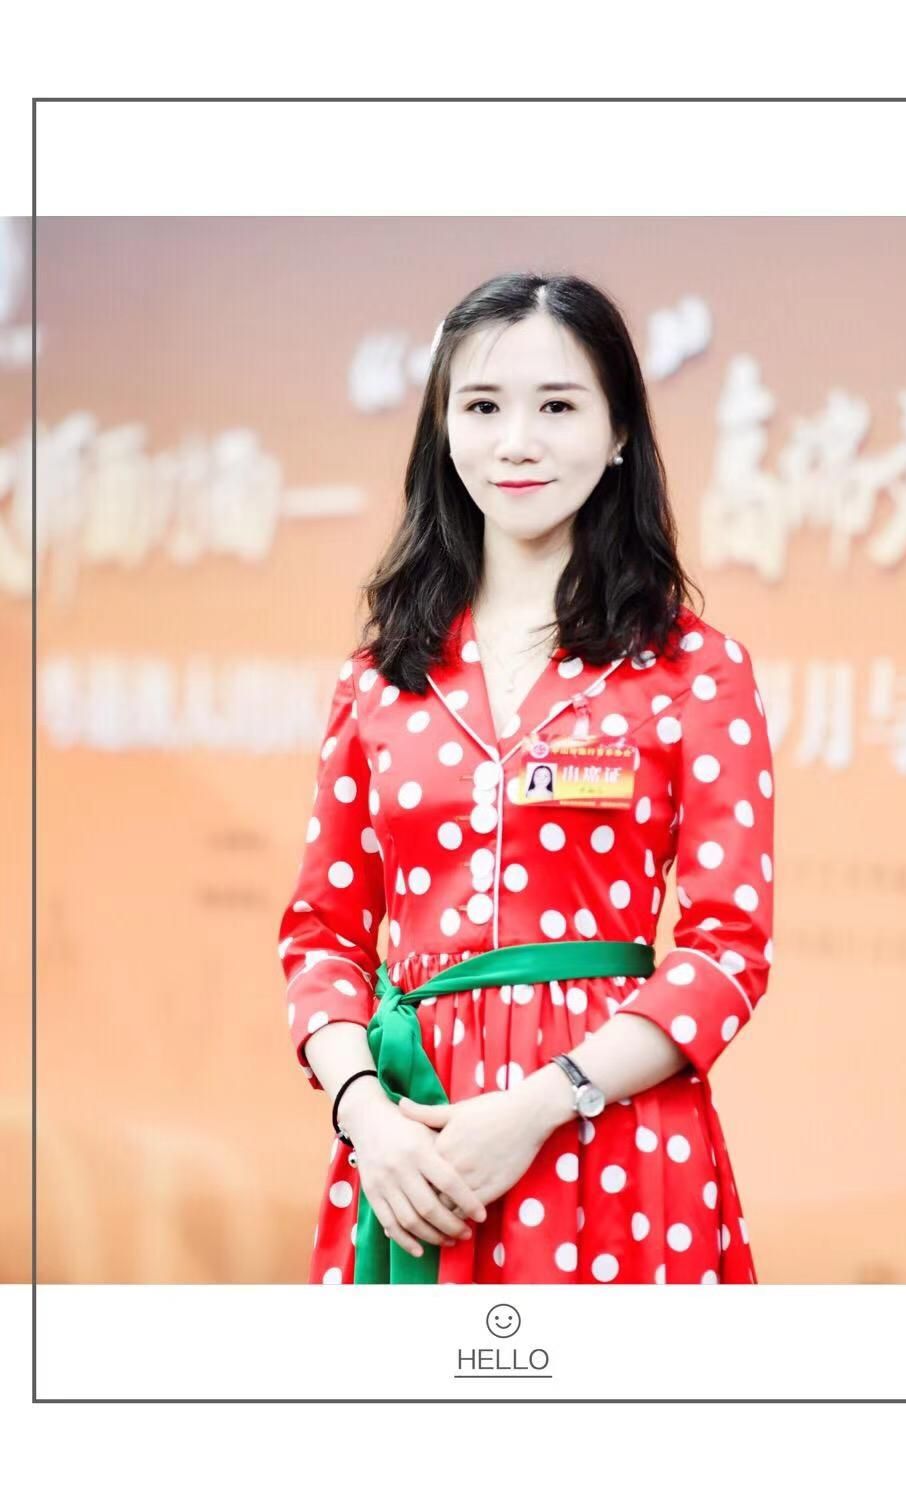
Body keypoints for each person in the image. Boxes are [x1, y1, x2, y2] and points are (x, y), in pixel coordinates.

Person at [277, 270, 775, 1285]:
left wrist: (544, 1102)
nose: (516, 442)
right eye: (482, 407)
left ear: (620, 430)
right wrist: (368, 1118)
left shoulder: (694, 669)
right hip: (411, 1153)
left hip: (613, 1135)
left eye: (556, 406)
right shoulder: (378, 679)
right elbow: (322, 937)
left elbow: (728, 950)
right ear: (442, 428)